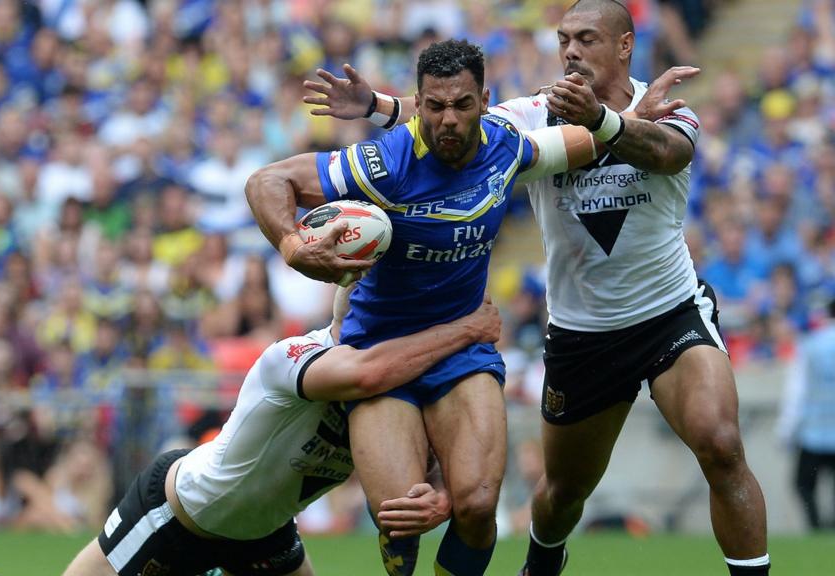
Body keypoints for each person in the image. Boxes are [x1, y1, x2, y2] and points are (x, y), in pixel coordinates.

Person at [304, 1, 771, 575]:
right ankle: (543, 561)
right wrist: (377, 107)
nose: (570, 50)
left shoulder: (665, 104)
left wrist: (606, 121)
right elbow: (459, 117)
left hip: (668, 312)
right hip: (583, 332)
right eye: (563, 39)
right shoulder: (533, 116)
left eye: (586, 38)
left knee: (721, 443)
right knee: (560, 497)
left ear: (625, 45)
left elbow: (667, 151)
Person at [247, 39, 610, 576]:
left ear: (484, 100)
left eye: (462, 105)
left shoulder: (506, 146)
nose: (448, 120)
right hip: (381, 354)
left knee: (477, 505)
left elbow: (585, 141)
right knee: (400, 515)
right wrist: (293, 246)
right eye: (435, 106)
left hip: (463, 348)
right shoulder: (384, 161)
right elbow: (267, 180)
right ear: (418, 103)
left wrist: (630, 121)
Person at [61, 286, 502, 576]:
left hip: (266, 534)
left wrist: (437, 492)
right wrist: (465, 330)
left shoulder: (394, 396)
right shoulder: (294, 356)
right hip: (179, 515)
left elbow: (434, 461)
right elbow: (365, 373)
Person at [777, 297, 835, 531]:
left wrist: (785, 431)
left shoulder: (810, 345)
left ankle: (816, 524)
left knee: (803, 483)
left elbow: (796, 392)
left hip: (814, 429)